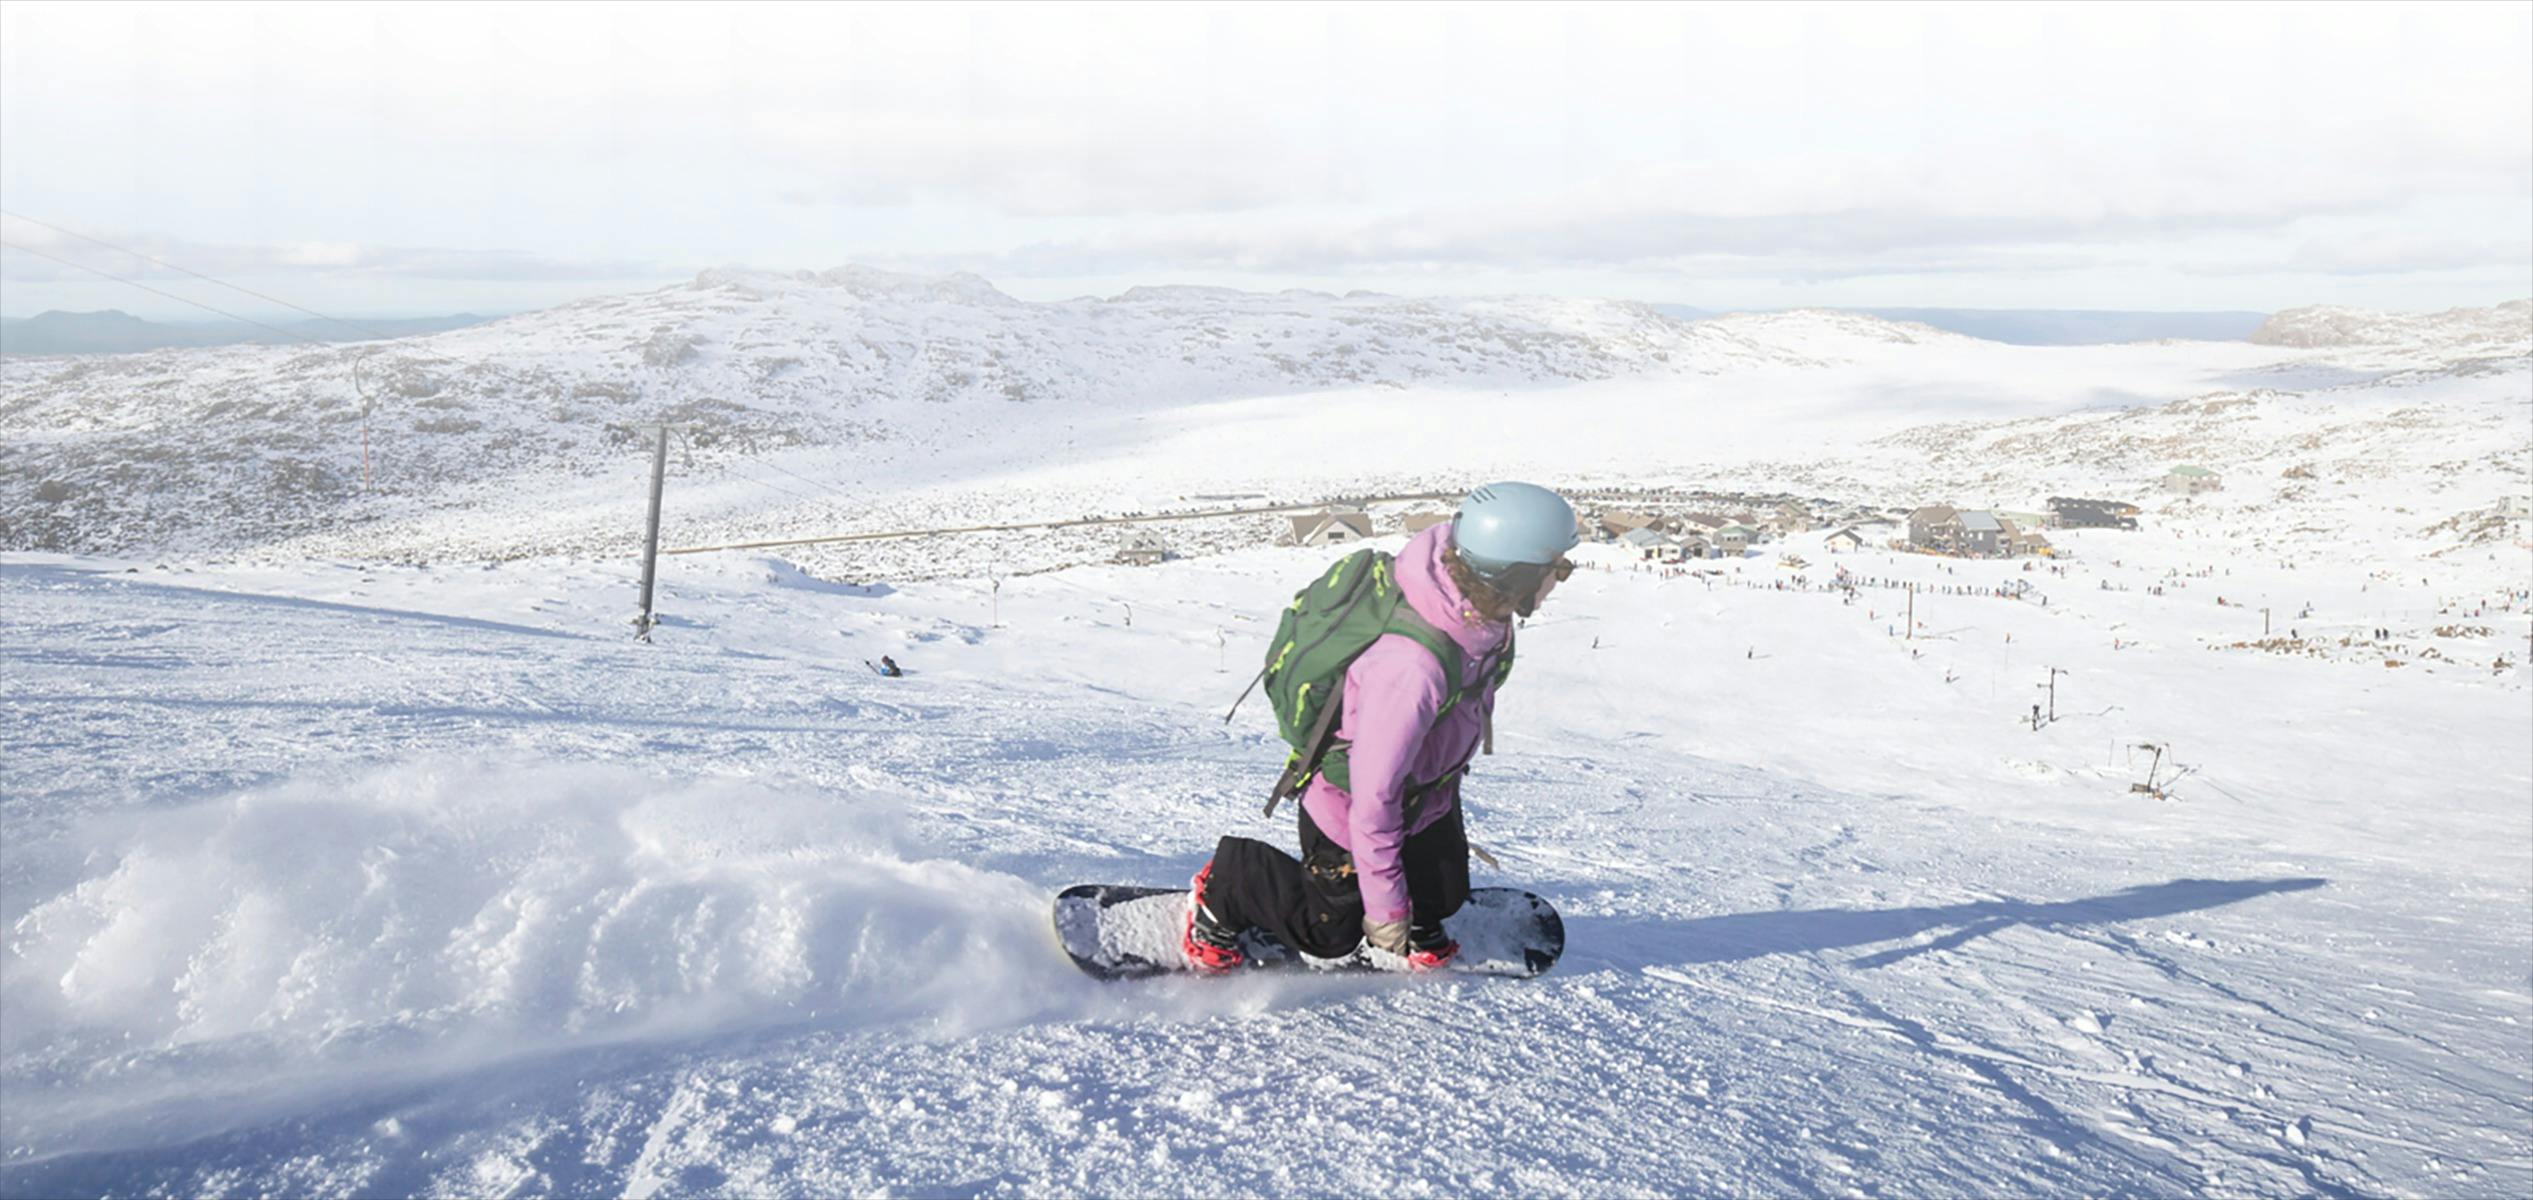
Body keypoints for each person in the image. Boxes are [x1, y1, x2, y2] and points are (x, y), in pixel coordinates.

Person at [1183, 482, 1580, 973]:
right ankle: (1229, 886)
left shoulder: (1474, 612)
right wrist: (1387, 912)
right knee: (1329, 933)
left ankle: (1419, 912)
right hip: (1349, 805)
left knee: (1445, 893)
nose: (1561, 579)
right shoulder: (1412, 668)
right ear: (1514, 575)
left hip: (1426, 792)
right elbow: (1373, 802)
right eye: (1557, 568)